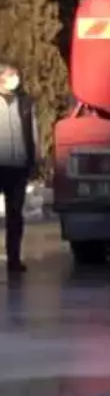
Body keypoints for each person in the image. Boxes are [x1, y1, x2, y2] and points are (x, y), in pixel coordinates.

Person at [0, 63, 36, 274]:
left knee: (15, 215)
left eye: (16, 75)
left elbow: (33, 134)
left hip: (17, 166)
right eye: (10, 75)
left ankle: (14, 258)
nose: (15, 78)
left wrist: (33, 160)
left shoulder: (24, 102)